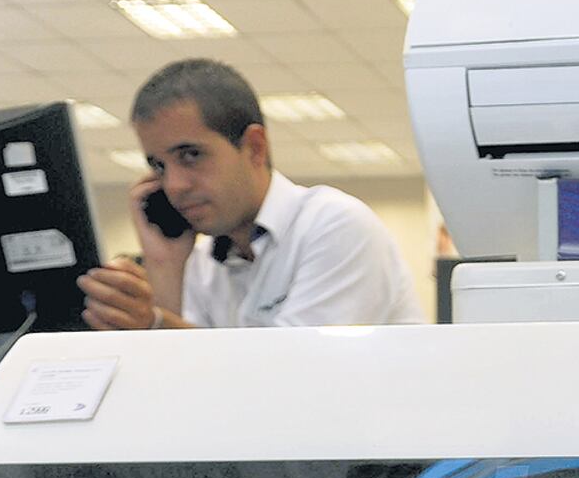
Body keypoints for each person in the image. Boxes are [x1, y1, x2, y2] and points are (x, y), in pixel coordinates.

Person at [77, 58, 423, 329]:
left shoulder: (334, 225)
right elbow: (181, 380)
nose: (174, 185)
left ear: (255, 147)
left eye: (191, 155)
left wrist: (155, 323)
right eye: (159, 165)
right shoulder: (202, 264)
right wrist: (165, 265)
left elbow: (292, 374)